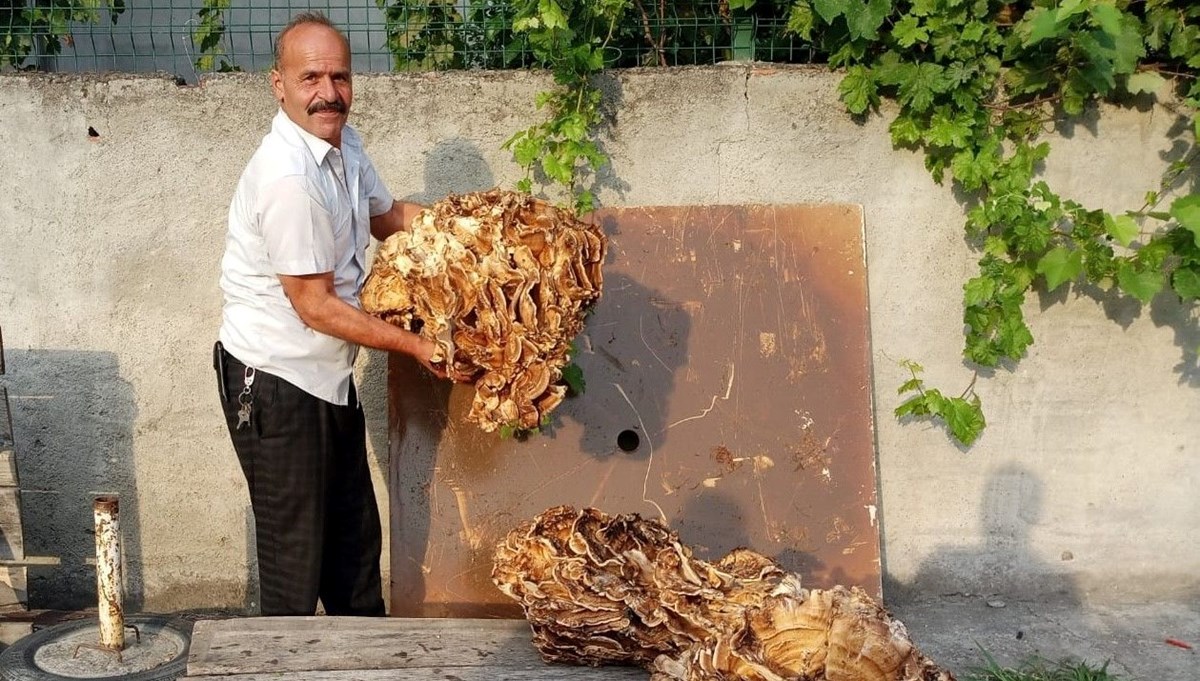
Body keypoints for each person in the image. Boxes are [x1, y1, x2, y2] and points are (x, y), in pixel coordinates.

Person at [213, 11, 448, 616]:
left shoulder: (342, 144)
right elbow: (315, 306)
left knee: (354, 554)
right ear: (279, 84)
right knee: (297, 568)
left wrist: (470, 228)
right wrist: (419, 346)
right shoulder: (288, 178)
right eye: (311, 77)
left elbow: (386, 216)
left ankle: (362, 660)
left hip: (329, 379)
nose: (328, 93)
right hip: (276, 380)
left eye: (339, 77)